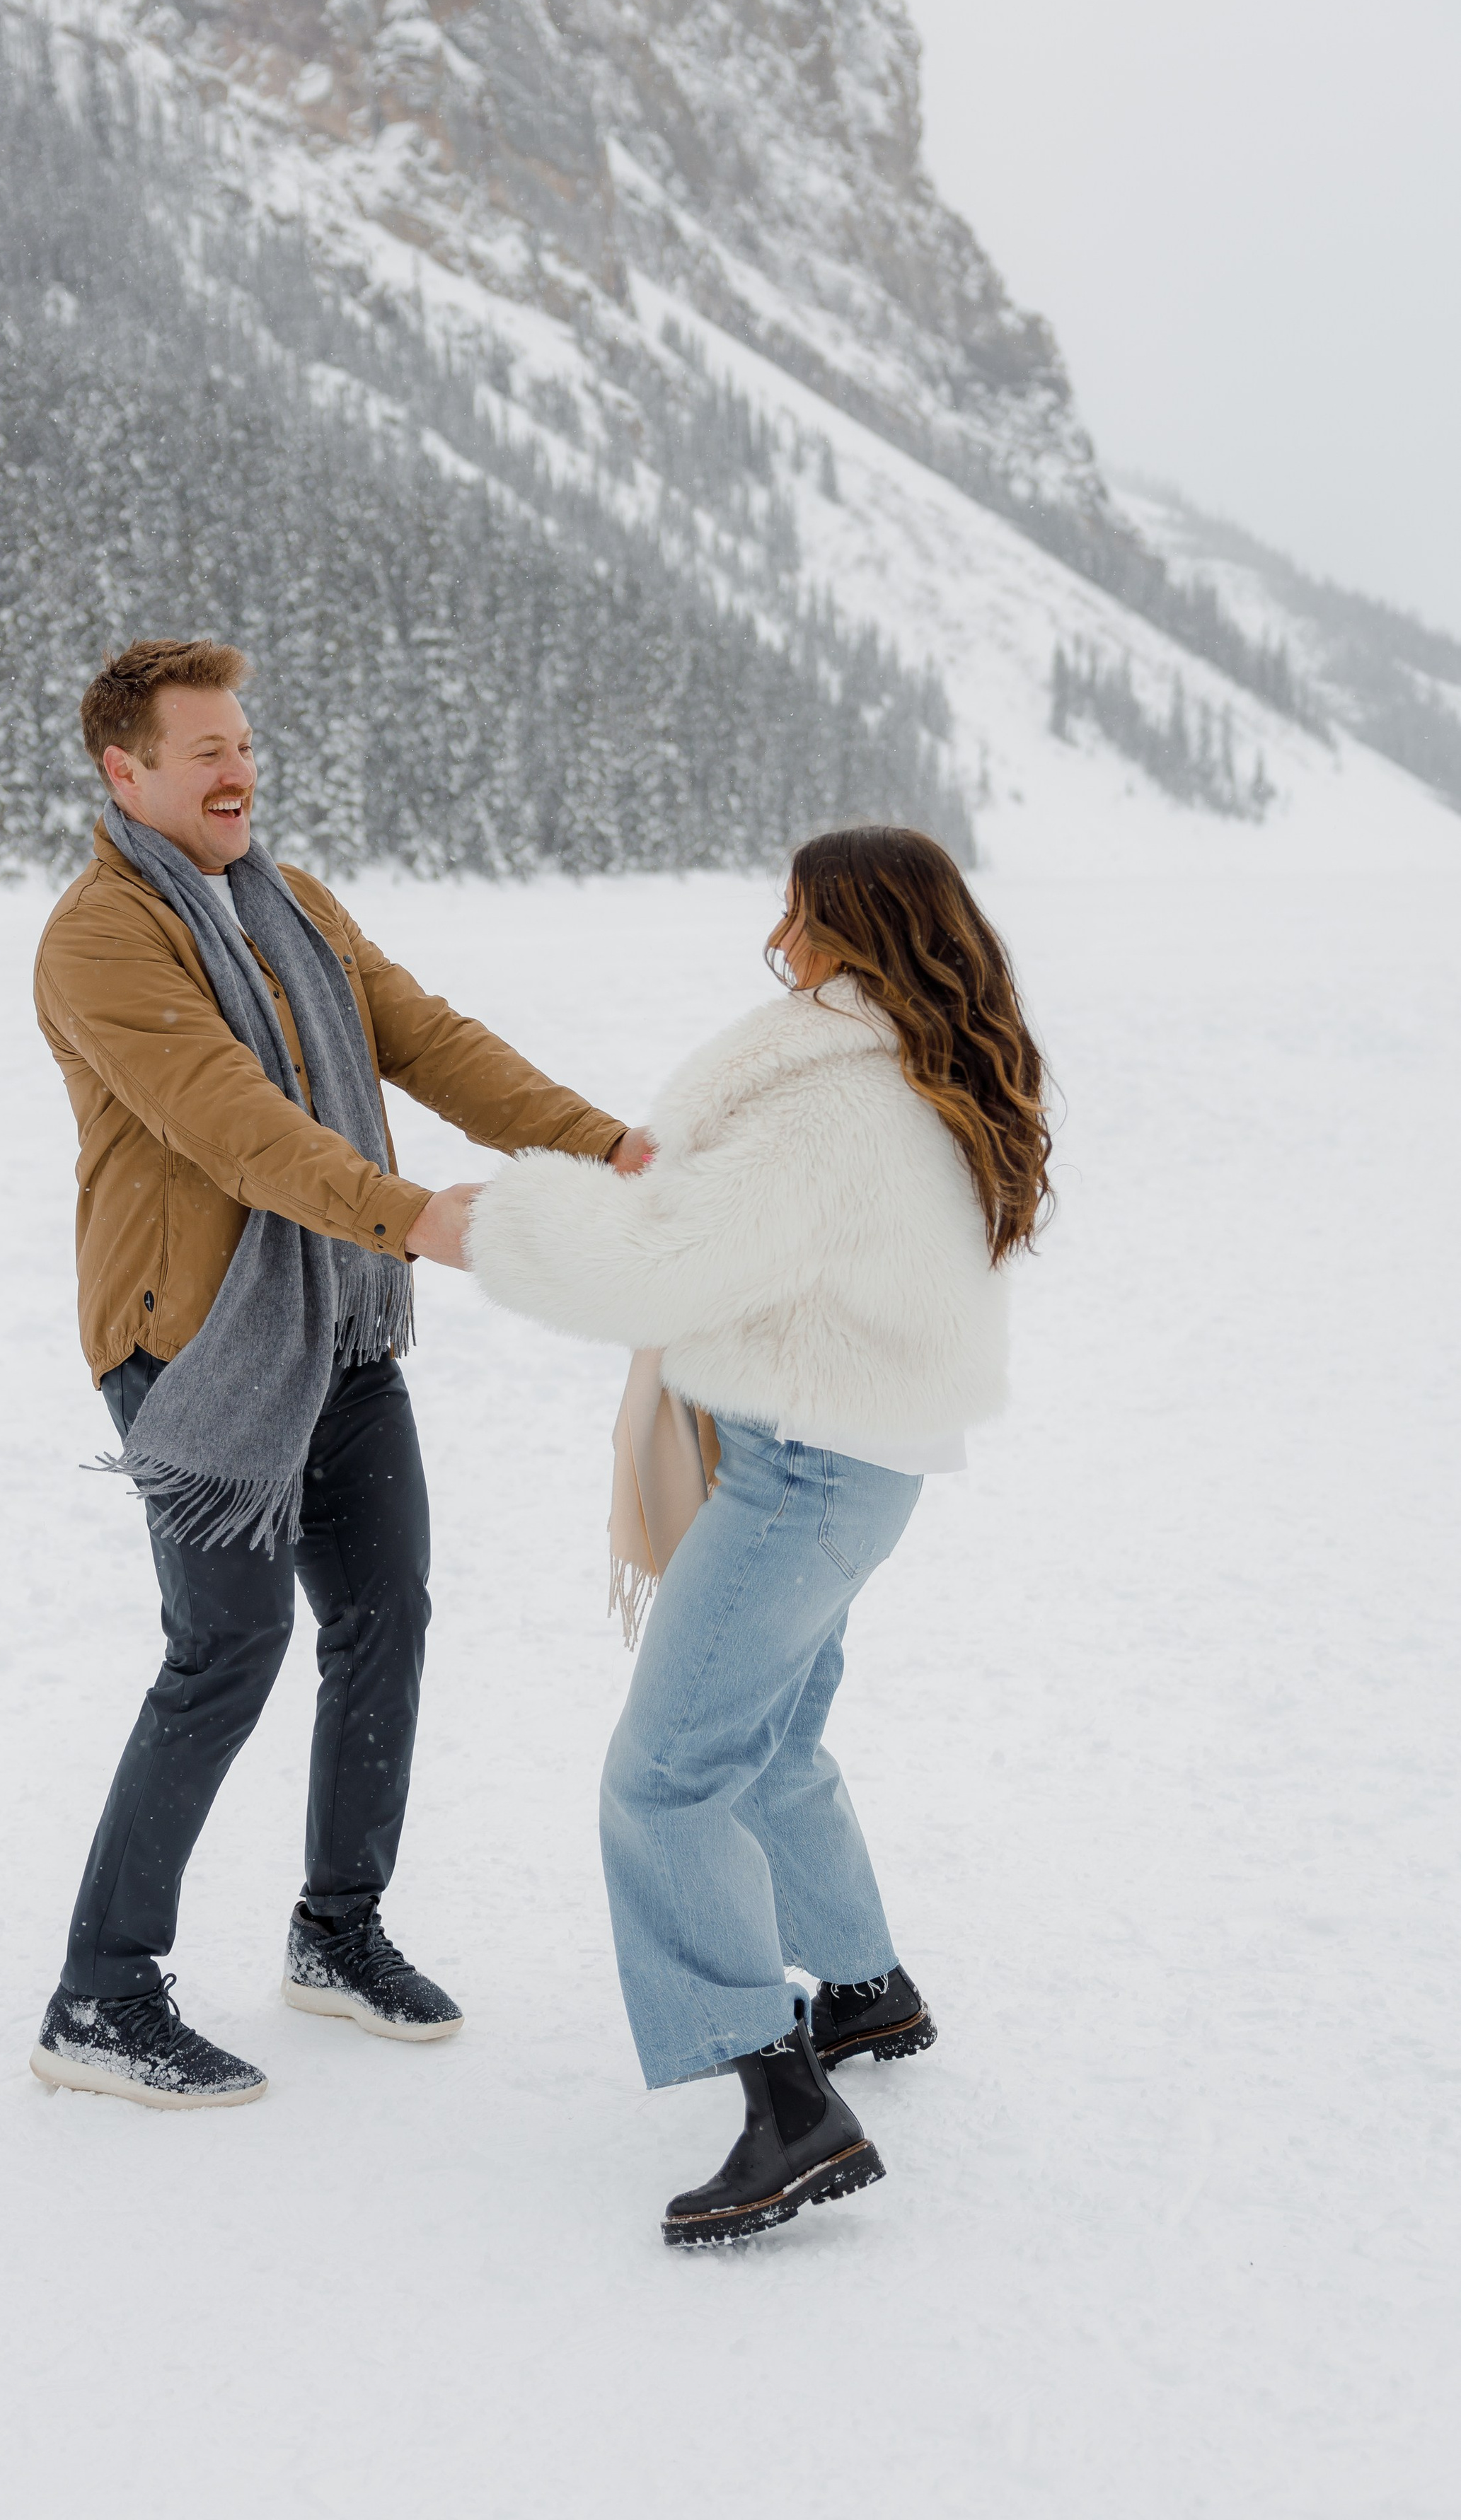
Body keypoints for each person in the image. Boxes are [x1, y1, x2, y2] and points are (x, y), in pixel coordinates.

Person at [28, 638, 647, 2108]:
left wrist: (608, 1146)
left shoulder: (291, 904)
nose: (239, 773)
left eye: (244, 745)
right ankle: (98, 1996)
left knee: (385, 1615)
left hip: (341, 1328)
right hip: (195, 1347)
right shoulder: (101, 939)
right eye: (205, 753)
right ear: (125, 772)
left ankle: (337, 1931)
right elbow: (230, 1122)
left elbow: (428, 1042)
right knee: (224, 1650)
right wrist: (412, 1217)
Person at [463, 824, 1051, 2242]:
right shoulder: (918, 1070)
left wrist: (489, 1221)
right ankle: (863, 1988)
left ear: (852, 930)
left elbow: (660, 1264)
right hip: (864, 1466)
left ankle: (787, 2112)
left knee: (665, 1779)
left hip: (800, 1473)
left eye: (796, 911)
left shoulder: (823, 1108)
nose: (776, 936)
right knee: (772, 1744)